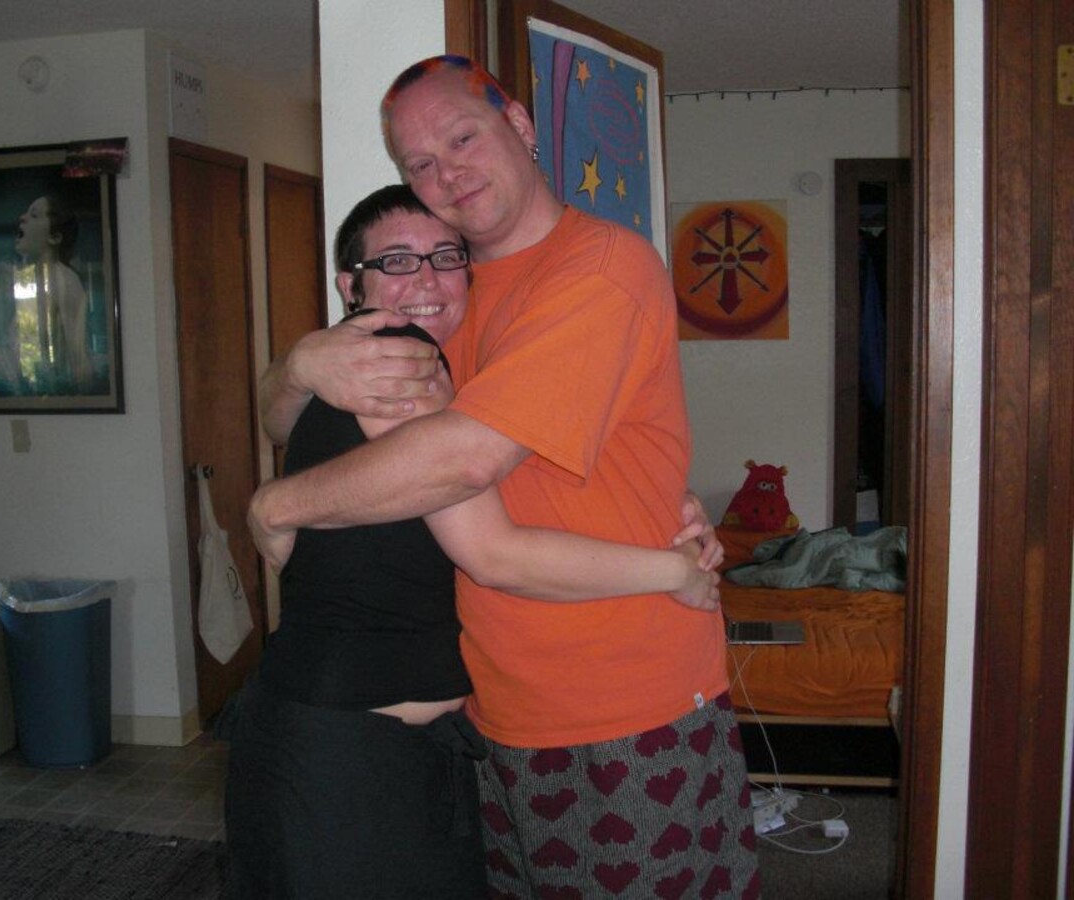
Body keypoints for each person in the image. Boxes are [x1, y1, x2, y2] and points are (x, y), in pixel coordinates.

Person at [248, 56, 760, 898]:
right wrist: (298, 364)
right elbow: (287, 417)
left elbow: (467, 461)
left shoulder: (600, 267)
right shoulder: (450, 295)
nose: (446, 173)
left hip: (621, 703)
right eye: (419, 163)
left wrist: (281, 503)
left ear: (520, 127)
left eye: (462, 136)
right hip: (494, 711)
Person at [0, 194, 91, 395]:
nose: (22, 217)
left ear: (54, 237)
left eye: (33, 215)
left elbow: (78, 355)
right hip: (24, 386)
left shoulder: (65, 280)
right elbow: (15, 338)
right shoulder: (23, 277)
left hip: (46, 391)